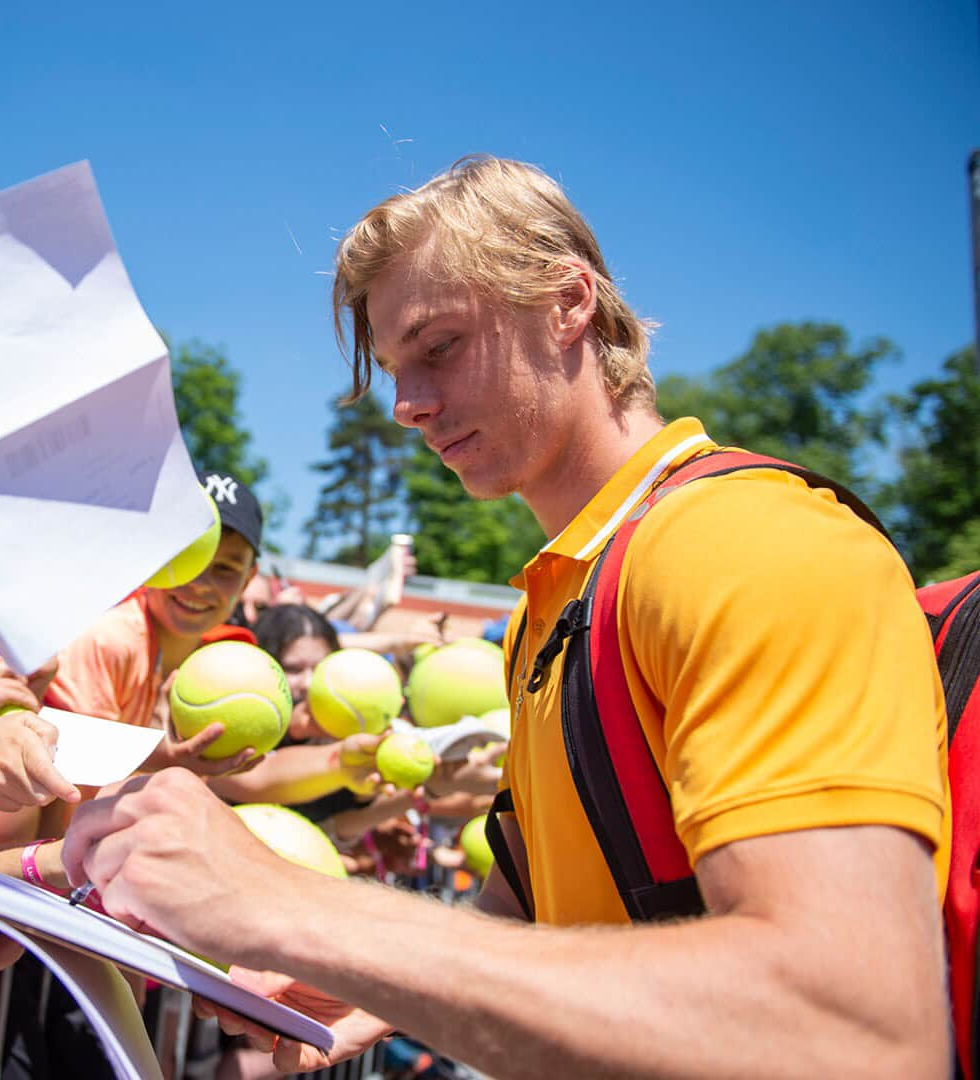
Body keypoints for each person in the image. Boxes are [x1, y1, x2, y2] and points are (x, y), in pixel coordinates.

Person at [62, 157, 950, 1078]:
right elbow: (542, 913)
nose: (408, 406)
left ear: (569, 302)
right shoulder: (554, 604)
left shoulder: (741, 541)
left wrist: (297, 908)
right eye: (396, 369)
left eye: (438, 346)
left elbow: (855, 1031)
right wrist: (370, 981)